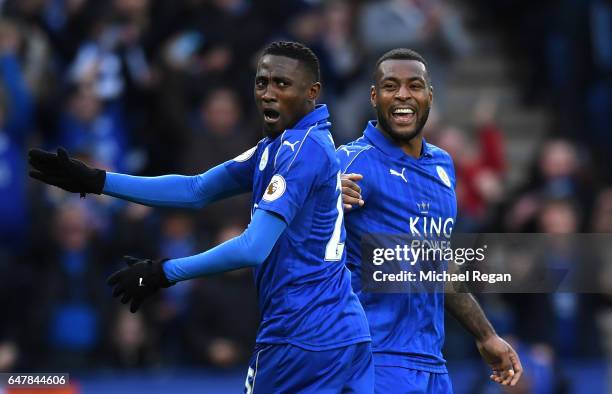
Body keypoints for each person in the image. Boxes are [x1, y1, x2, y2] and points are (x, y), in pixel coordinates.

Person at [28, 41, 373, 393]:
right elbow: (196, 189)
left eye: (281, 84)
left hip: (301, 336)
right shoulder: (282, 145)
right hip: (343, 333)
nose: (268, 93)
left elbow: (252, 249)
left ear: (312, 92)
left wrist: (165, 272)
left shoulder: (299, 152)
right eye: (261, 82)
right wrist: (98, 180)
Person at [338, 48, 523, 393]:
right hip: (374, 358)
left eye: (415, 85)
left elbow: (438, 263)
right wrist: (323, 198)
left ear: (429, 96)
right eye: (391, 86)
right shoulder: (350, 162)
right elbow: (288, 225)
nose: (404, 95)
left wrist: (485, 335)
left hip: (432, 365)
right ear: (374, 96)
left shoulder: (443, 166)